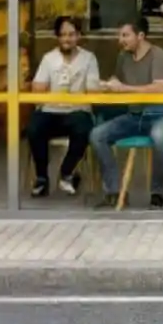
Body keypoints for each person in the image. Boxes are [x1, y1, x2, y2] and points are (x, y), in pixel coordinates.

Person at [89, 17, 163, 210]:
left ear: (140, 36)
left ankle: (157, 192)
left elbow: (158, 89)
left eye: (125, 35)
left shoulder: (158, 55)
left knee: (160, 138)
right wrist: (108, 85)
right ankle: (115, 192)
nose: (121, 40)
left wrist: (124, 88)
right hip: (134, 115)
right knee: (97, 135)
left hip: (157, 114)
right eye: (120, 35)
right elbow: (119, 81)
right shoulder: (123, 56)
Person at [26, 15, 100, 197]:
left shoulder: (88, 59)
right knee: (34, 127)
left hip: (77, 111)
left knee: (84, 128)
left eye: (71, 34)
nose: (67, 39)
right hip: (51, 110)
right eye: (63, 35)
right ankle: (42, 178)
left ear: (79, 36)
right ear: (57, 37)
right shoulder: (49, 59)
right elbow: (38, 88)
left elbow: (93, 90)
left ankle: (67, 173)